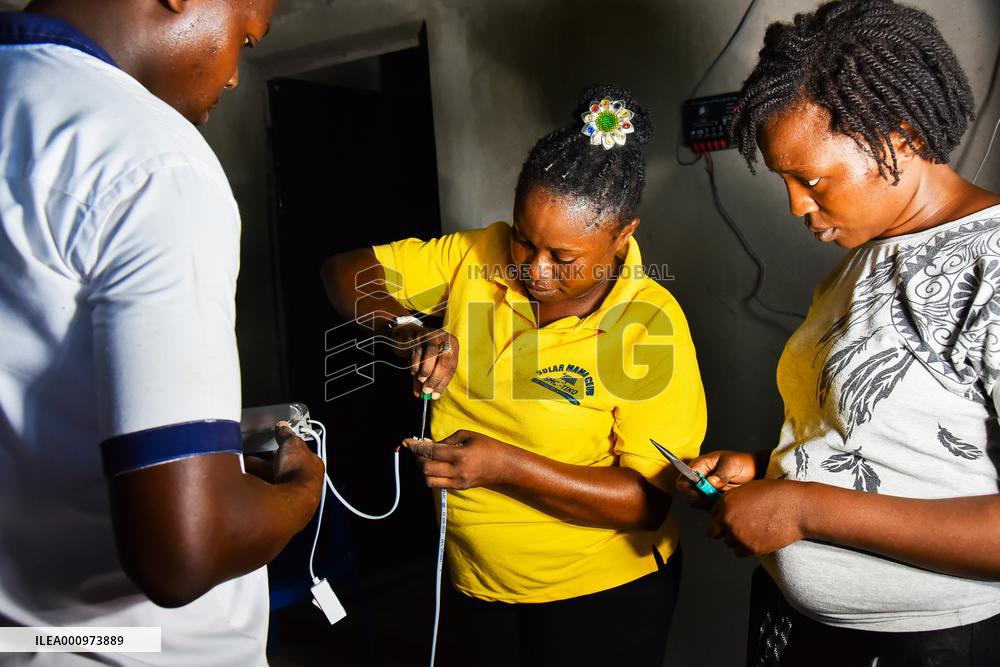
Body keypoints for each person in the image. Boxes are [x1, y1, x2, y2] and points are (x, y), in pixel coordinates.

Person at [321, 86, 707, 666]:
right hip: (475, 587)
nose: (534, 269)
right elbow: (344, 272)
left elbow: (645, 503)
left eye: (563, 257)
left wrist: (503, 466)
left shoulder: (648, 324)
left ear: (622, 235)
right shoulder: (477, 256)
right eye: (525, 239)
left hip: (601, 598)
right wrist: (406, 330)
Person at [0, 1, 325, 665]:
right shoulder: (152, 162)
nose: (236, 75)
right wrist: (298, 494)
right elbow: (186, 548)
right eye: (246, 35)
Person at [678, 1, 1000, 665]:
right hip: (800, 626)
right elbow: (886, 448)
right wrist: (767, 475)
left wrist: (801, 507)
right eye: (784, 180)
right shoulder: (865, 258)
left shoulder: (990, 261)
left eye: (811, 178)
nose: (796, 204)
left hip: (925, 645)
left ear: (903, 135)